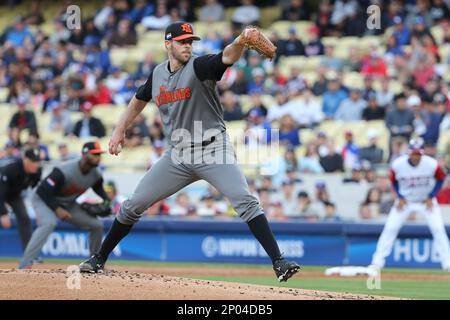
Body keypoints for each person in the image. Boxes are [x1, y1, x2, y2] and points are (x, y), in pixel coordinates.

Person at [79, 22, 300, 281]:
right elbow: (138, 100)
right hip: (178, 156)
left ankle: (279, 262)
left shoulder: (199, 66)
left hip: (213, 150)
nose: (187, 45)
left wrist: (240, 41)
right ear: (167, 44)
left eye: (190, 41)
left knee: (246, 202)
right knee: (132, 206)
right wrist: (119, 130)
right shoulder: (158, 74)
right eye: (182, 41)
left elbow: (226, 57)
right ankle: (99, 259)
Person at [18, 142, 110, 269]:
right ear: (84, 154)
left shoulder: (96, 175)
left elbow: (101, 192)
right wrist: (57, 209)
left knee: (97, 225)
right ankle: (25, 265)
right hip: (43, 199)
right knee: (49, 223)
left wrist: (107, 203)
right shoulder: (63, 170)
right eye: (94, 154)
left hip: (68, 203)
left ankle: (95, 264)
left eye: (99, 154)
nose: (98, 157)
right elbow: (42, 191)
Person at [369, 138, 450, 272]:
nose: (415, 156)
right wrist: (400, 196)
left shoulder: (431, 164)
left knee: (438, 229)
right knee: (390, 228)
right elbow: (393, 180)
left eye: (418, 154)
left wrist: (431, 196)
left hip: (425, 201)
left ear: (422, 153)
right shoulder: (398, 164)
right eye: (413, 153)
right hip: (405, 201)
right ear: (409, 152)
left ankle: (447, 262)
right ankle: (377, 261)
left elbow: (441, 179)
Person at [0, 148, 41, 252]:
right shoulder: (11, 170)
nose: (36, 164)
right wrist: (3, 213)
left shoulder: (37, 172)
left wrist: (39, 210)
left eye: (37, 161)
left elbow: (37, 192)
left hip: (14, 195)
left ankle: (29, 253)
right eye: (33, 161)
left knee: (24, 218)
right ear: (25, 160)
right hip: (1, 192)